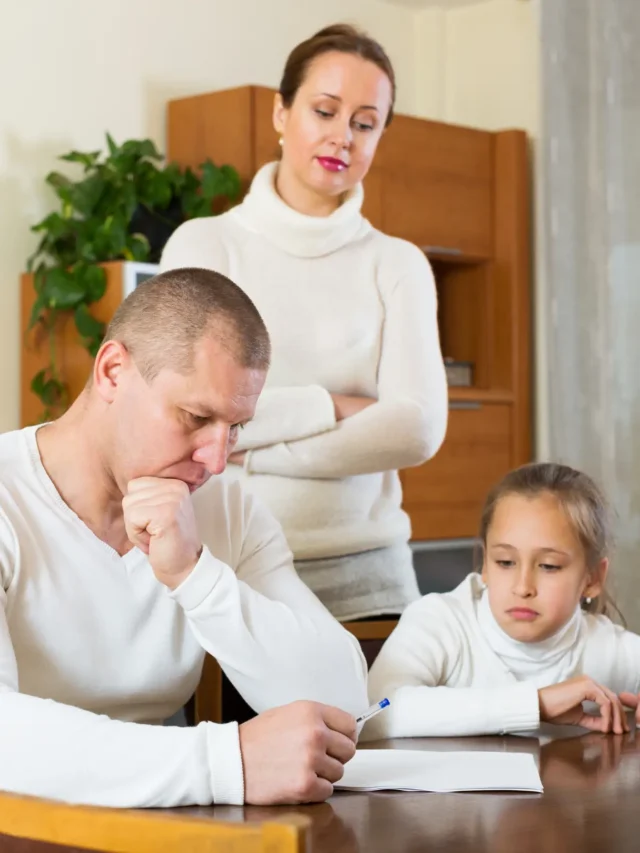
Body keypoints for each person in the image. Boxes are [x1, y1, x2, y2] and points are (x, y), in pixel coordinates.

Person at [0, 267, 369, 809]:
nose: (217, 461)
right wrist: (224, 762)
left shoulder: (227, 511)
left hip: (166, 827)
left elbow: (345, 704)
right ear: (112, 371)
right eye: (196, 417)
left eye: (236, 428)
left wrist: (194, 576)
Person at [160, 24, 448, 622]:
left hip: (372, 576)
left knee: (385, 717)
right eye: (325, 110)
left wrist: (252, 447)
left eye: (365, 123)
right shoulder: (205, 247)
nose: (342, 136)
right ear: (281, 112)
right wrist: (333, 406)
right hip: (228, 575)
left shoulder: (397, 264)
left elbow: (416, 429)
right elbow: (183, 412)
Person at [364, 462, 640, 741]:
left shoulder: (613, 650)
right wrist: (535, 705)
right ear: (485, 563)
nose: (522, 588)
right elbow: (376, 712)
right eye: (505, 562)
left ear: (592, 578)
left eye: (549, 566)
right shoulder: (439, 621)